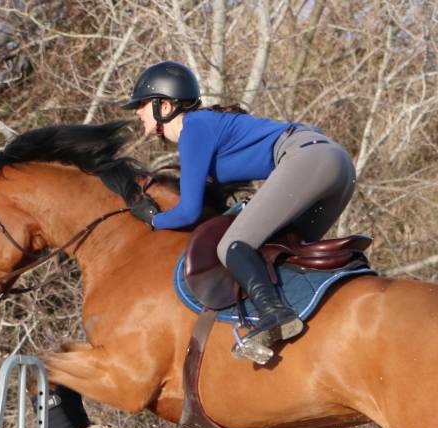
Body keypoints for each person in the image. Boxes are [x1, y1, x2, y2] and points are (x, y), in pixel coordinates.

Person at [122, 61, 357, 354]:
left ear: (165, 107)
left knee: (232, 245)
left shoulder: (193, 128)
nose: (136, 112)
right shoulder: (204, 128)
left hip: (309, 158)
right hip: (337, 166)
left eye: (141, 104)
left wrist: (152, 220)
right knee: (283, 250)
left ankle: (275, 315)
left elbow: (188, 212)